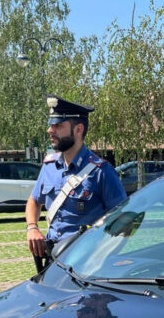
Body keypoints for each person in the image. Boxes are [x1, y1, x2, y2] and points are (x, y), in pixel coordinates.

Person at [26, 95, 127, 270]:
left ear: (78, 129)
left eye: (58, 125)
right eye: (51, 125)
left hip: (87, 264)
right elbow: (34, 201)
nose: (50, 130)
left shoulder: (101, 172)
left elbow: (125, 223)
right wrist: (32, 228)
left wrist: (103, 258)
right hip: (52, 261)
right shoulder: (49, 166)